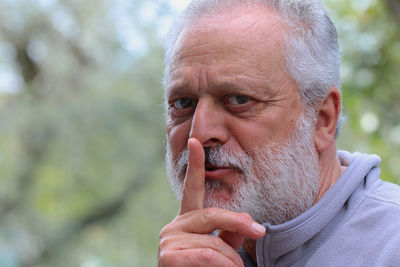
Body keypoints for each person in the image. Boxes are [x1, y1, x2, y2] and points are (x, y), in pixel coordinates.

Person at [158, 0, 400, 266]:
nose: (199, 133)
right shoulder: (187, 251)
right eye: (183, 103)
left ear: (322, 119)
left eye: (239, 99)